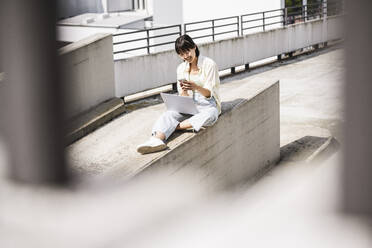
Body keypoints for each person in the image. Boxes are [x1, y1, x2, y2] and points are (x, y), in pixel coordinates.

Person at [136, 34, 221, 154]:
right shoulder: (181, 68)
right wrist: (184, 92)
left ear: (194, 47)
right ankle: (156, 140)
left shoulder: (209, 64)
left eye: (187, 52)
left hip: (207, 104)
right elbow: (183, 95)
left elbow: (209, 94)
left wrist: (195, 87)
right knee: (169, 114)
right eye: (181, 54)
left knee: (212, 114)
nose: (185, 56)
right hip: (190, 104)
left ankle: (176, 126)